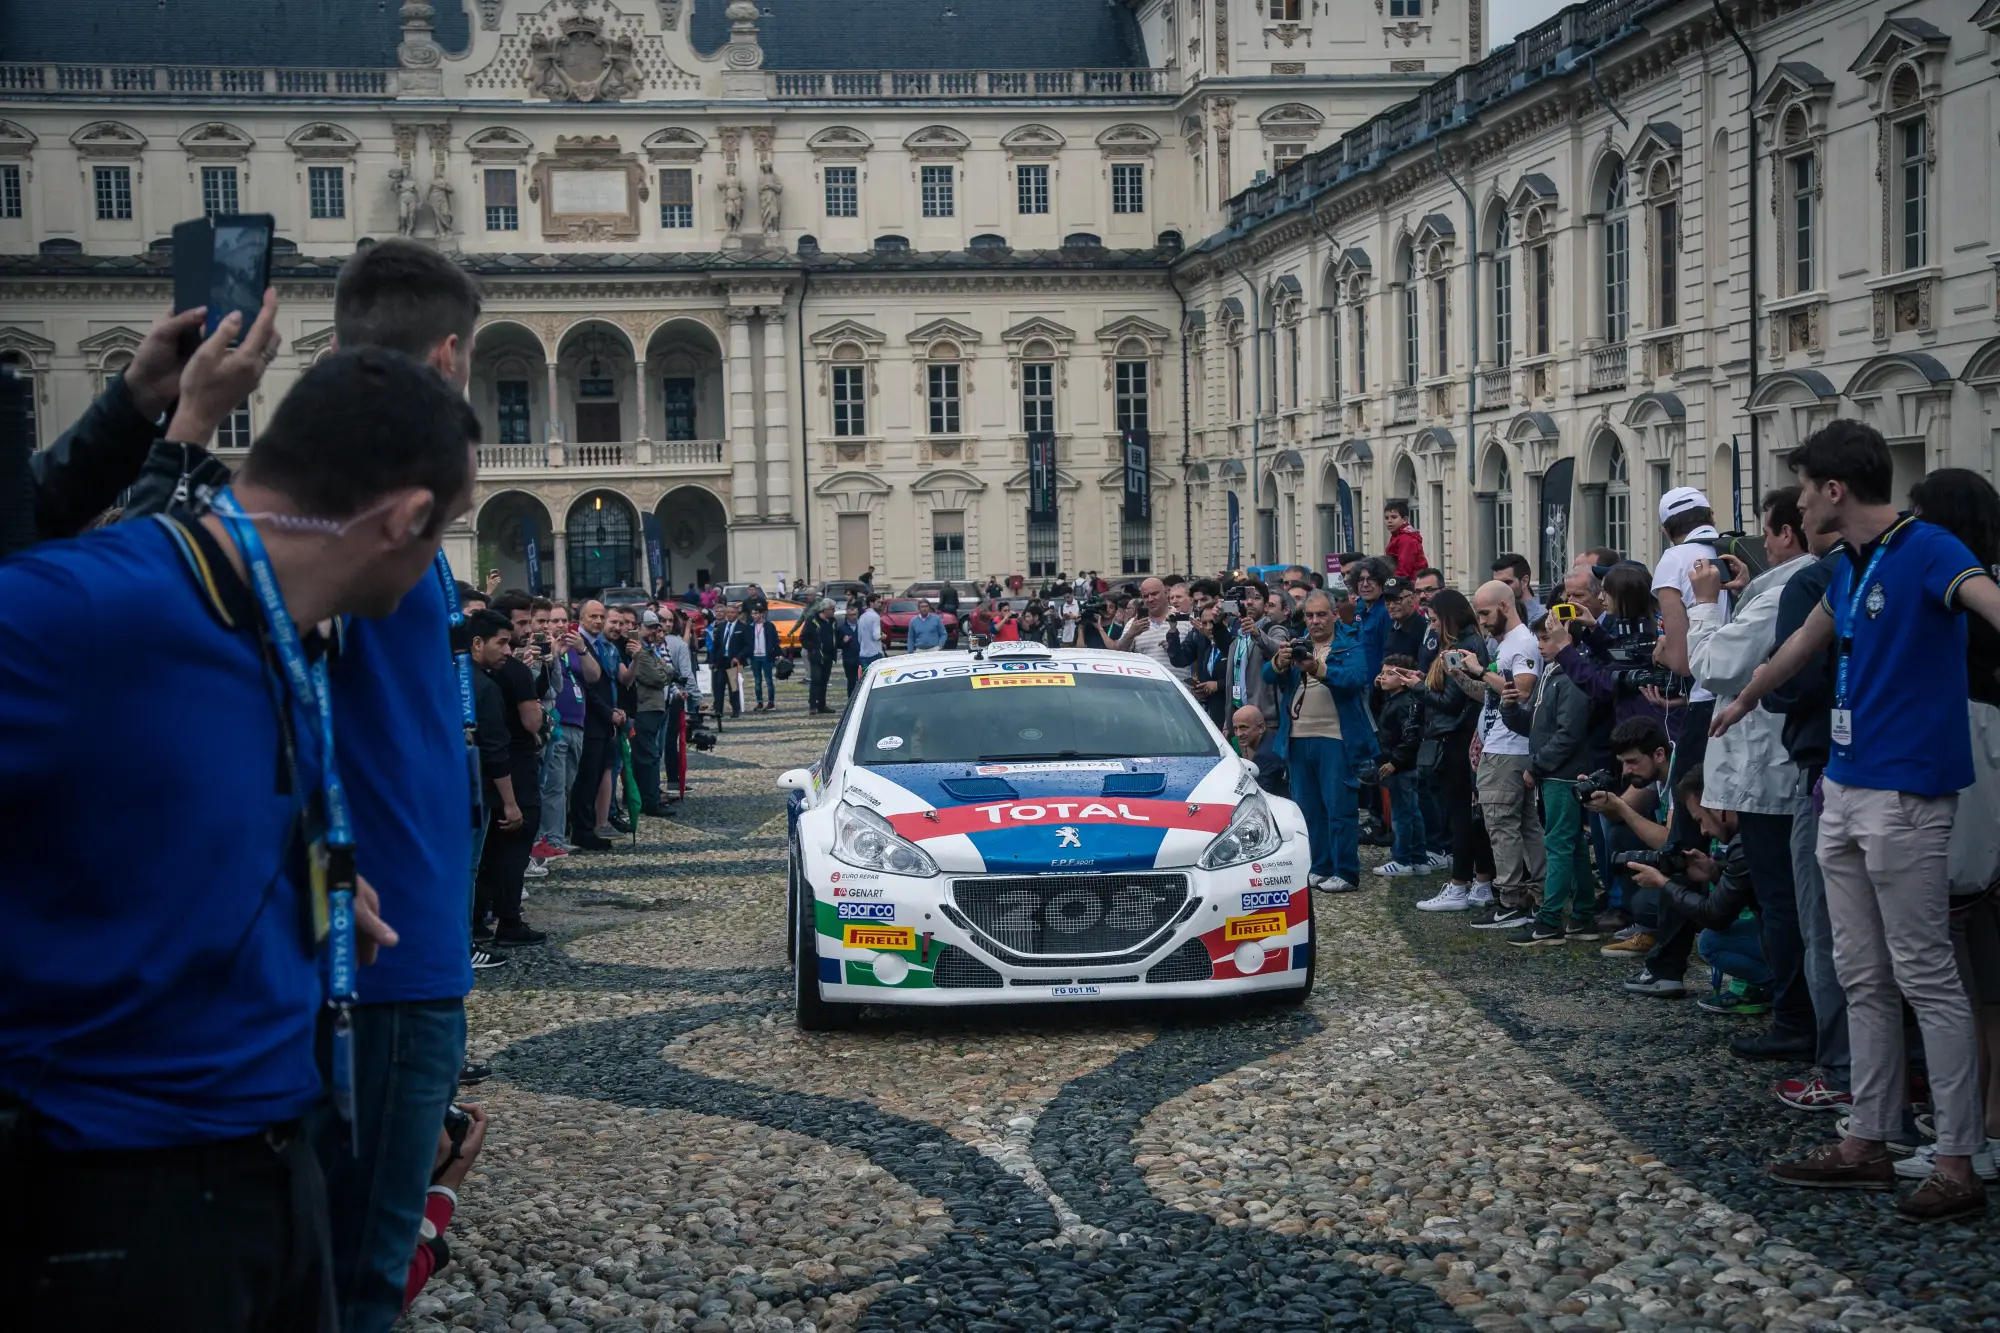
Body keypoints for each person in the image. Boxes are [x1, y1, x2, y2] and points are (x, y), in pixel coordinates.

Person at [1, 345, 469, 1333]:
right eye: (446, 538)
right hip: (124, 1188)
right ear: (404, 521)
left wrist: (317, 879)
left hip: (271, 1148)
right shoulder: (79, 610)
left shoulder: (271, 625)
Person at [1716, 420, 2000, 1222]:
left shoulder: (1929, 547)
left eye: (1805, 488)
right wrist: (1743, 699)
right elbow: (1807, 641)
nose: (1798, 502)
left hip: (1907, 792)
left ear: (1834, 489)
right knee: (1862, 970)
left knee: (1927, 974)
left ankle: (1955, 1159)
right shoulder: (1847, 563)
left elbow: (1987, 600)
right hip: (1843, 785)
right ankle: (1867, 1138)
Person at [1684, 487, 1817, 1060]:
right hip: (1773, 772)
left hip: (1770, 776)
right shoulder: (1782, 589)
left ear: (1788, 533)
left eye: (1769, 530)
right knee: (1783, 901)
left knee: (1780, 903)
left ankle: (1794, 1018)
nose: (1763, 540)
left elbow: (1714, 666)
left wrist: (1706, 603)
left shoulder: (1788, 591)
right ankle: (1796, 1012)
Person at [1500, 606, 1609, 947]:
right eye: (1539, 638)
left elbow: (1568, 734)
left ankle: (1549, 921)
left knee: (1558, 846)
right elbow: (1534, 727)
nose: (1541, 645)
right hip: (1555, 772)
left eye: (1546, 638)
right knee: (1572, 845)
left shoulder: (1573, 678)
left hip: (1564, 775)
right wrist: (1509, 709)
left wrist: (1537, 766)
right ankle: (1583, 915)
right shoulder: (1551, 673)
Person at [1263, 588, 1379, 894]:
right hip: (1298, 738)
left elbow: (1355, 680)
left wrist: (1317, 667)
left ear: (1334, 615)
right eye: (1310, 615)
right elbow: (1268, 676)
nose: (1314, 621)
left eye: (1321, 614)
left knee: (1339, 806)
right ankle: (1320, 865)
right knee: (1308, 808)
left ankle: (1346, 871)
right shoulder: (1298, 644)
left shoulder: (1348, 644)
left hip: (1336, 738)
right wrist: (1280, 660)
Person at [1462, 580, 1545, 930]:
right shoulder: (1506, 643)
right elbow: (1495, 696)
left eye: (1484, 612)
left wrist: (1482, 671)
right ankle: (1539, 896)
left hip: (1509, 749)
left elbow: (1522, 692)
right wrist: (1463, 677)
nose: (1481, 621)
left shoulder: (1522, 642)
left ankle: (1511, 901)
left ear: (1505, 606)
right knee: (1525, 827)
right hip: (1503, 745)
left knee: (1502, 826)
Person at [1413, 590, 1494, 911]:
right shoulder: (1464, 642)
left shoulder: (1466, 645)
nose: (1431, 628)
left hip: (1459, 739)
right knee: (1470, 816)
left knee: (1463, 817)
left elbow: (1452, 702)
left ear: (1447, 617)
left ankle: (1462, 883)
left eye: (1433, 620)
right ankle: (1480, 880)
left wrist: (1416, 688)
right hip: (1460, 737)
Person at [468, 609, 543, 950]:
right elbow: (511, 737)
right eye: (503, 642)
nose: (509, 649)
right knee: (508, 849)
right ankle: (501, 921)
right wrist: (512, 802)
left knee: (485, 856)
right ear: (477, 642)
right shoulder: (489, 682)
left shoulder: (464, 675)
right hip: (502, 777)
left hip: (482, 780)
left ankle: (478, 921)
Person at [1372, 653, 1428, 877]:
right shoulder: (1394, 700)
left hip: (1401, 766)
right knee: (1412, 811)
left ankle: (1402, 859)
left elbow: (1411, 736)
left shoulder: (1405, 703)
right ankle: (1418, 859)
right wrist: (1377, 689)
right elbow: (1375, 708)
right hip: (1401, 763)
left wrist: (1395, 761)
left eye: (1389, 673)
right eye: (1382, 672)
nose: (1382, 677)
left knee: (1402, 814)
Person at [628, 610, 682, 813]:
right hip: (645, 708)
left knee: (650, 755)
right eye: (650, 627)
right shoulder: (640, 650)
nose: (654, 631)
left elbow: (668, 671)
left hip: (654, 707)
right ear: (639, 627)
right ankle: (649, 801)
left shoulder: (648, 649)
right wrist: (665, 672)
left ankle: (648, 797)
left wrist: (665, 672)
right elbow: (659, 677)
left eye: (656, 627)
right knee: (647, 756)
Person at [1118, 576, 1177, 672]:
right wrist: (1130, 634)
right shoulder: (1134, 623)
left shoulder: (1184, 620)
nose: (1150, 599)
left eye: (1154, 594)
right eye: (1145, 596)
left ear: (1166, 593)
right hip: (1146, 685)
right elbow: (1120, 655)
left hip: (1178, 685)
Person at [1231, 704, 1288, 798]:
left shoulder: (1263, 756)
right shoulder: (1273, 740)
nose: (1238, 734)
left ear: (1261, 728)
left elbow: (1260, 795)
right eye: (1235, 728)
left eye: (1243, 727)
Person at [800, 600, 839, 714]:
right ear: (825, 610)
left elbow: (835, 636)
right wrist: (812, 649)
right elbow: (803, 638)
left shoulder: (833, 621)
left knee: (824, 681)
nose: (834, 611)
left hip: (829, 656)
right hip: (816, 656)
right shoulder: (812, 620)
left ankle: (822, 705)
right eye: (832, 609)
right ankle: (812, 705)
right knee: (816, 680)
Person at [1490, 553, 1545, 624]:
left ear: (1524, 581)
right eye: (1496, 583)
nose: (1500, 588)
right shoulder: (1496, 615)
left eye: (1507, 582)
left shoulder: (1541, 618)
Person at [1383, 498, 1429, 579]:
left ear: (1405, 520)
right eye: (1386, 518)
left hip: (1413, 582)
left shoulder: (1406, 539)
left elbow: (1404, 567)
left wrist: (1393, 583)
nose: (1389, 521)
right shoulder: (1397, 535)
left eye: (1394, 517)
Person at [745, 605, 780, 709]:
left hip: (766, 656)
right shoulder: (750, 626)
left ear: (762, 614)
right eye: (752, 613)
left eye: (756, 613)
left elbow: (775, 640)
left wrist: (777, 654)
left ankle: (771, 702)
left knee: (768, 679)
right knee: (757, 680)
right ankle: (759, 702)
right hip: (755, 656)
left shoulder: (769, 625)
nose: (753, 616)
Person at [837, 603, 865, 695]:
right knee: (851, 682)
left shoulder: (861, 625)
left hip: (861, 657)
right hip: (849, 659)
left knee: (864, 681)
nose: (853, 617)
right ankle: (851, 701)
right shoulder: (841, 628)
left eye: (855, 615)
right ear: (847, 615)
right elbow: (837, 644)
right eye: (851, 615)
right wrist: (843, 641)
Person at [855, 594, 884, 677]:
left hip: (863, 653)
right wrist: (883, 636)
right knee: (876, 678)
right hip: (875, 653)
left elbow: (859, 638)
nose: (880, 604)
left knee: (865, 678)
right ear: (871, 603)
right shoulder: (875, 616)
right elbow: (877, 636)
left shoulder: (861, 617)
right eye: (878, 602)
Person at [937, 582, 961, 648]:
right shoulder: (954, 590)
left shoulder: (942, 591)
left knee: (945, 622)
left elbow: (941, 601)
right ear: (949, 584)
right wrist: (956, 606)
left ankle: (945, 634)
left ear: (944, 584)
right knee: (954, 623)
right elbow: (957, 600)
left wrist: (938, 608)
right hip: (953, 608)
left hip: (945, 607)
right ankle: (955, 636)